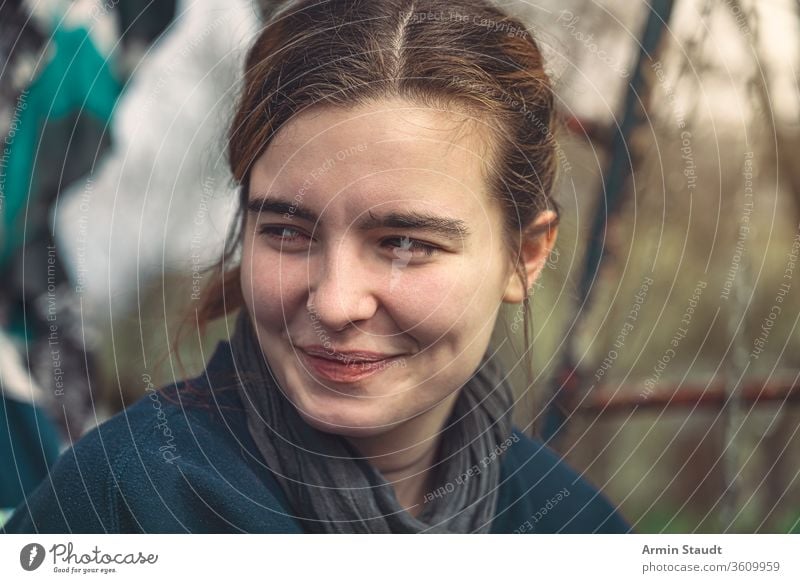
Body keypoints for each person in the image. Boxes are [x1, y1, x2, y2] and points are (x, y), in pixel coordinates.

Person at [3, 0, 631, 534]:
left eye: (405, 243)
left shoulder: (578, 528)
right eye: (286, 231)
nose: (334, 302)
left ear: (525, 255)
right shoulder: (125, 503)